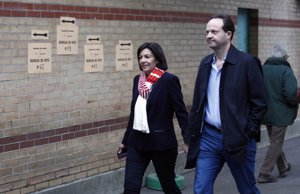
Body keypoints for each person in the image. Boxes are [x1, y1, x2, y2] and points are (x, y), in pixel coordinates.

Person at [184, 15, 268, 194]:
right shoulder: (205, 63)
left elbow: (260, 103)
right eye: (207, 32)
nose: (208, 35)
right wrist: (189, 138)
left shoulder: (247, 63)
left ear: (228, 34)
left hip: (238, 138)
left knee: (247, 189)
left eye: (214, 31)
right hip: (209, 137)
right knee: (201, 189)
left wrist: (248, 132)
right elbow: (198, 104)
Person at [118, 42, 189, 194]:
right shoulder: (138, 80)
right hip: (137, 143)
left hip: (161, 144)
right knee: (130, 187)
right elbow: (134, 113)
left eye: (147, 56)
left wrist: (188, 140)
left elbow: (181, 113)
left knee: (168, 186)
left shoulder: (168, 80)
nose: (143, 60)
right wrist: (125, 141)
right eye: (140, 57)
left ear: (157, 59)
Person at [257, 44, 299, 183]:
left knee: (275, 141)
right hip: (280, 113)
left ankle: (283, 168)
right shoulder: (285, 71)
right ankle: (264, 173)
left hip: (266, 112)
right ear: (284, 56)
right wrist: (294, 104)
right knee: (276, 143)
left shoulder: (263, 69)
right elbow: (291, 93)